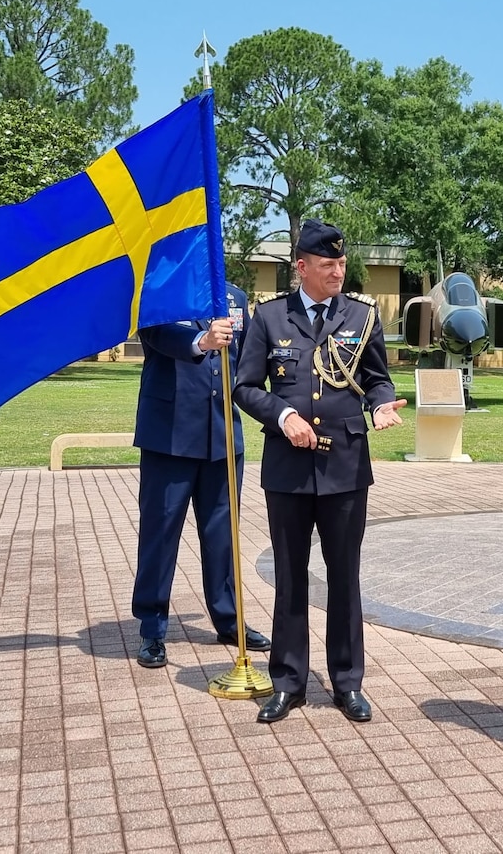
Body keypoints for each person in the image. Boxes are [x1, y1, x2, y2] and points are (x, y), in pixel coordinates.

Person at [233, 219, 407, 723]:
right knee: (289, 577)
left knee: (344, 576)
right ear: (301, 266)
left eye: (342, 262)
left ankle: (347, 681)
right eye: (328, 264)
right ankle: (288, 682)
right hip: (288, 468)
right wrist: (283, 416)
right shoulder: (269, 318)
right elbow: (245, 387)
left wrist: (379, 407)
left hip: (346, 466)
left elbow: (376, 379)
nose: (339, 271)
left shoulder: (362, 316)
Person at [131, 282, 271, 668]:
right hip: (169, 436)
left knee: (222, 537)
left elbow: (247, 363)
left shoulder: (235, 298)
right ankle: (152, 627)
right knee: (160, 534)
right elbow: (156, 334)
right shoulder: (160, 290)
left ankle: (228, 620)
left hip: (222, 435)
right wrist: (201, 341)